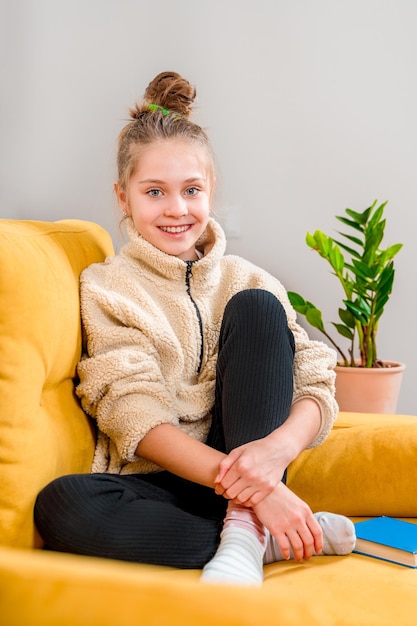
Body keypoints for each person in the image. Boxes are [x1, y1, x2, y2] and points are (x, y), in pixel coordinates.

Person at [34, 71, 355, 586]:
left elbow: (315, 380)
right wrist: (259, 491)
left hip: (250, 458)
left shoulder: (250, 279)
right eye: (155, 191)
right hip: (171, 480)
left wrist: (274, 456)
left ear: (211, 191)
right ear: (123, 197)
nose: (177, 209)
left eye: (191, 190)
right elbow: (130, 407)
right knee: (62, 504)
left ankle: (245, 529)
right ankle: (257, 535)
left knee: (255, 308)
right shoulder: (106, 286)